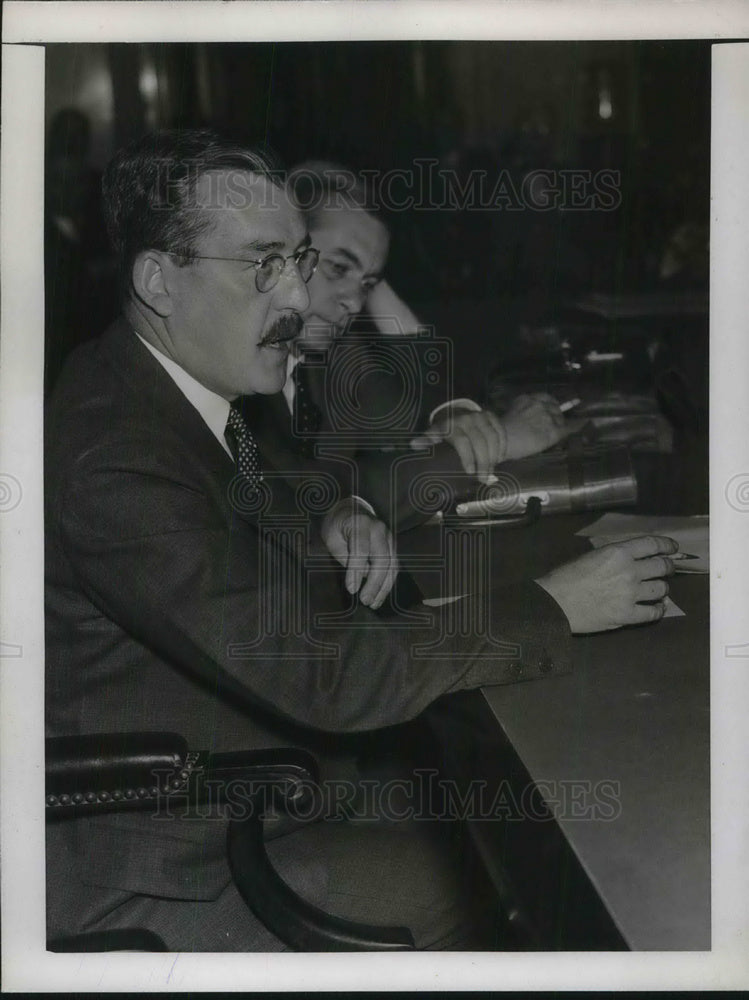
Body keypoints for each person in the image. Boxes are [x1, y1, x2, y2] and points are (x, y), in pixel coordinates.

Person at [45, 129, 677, 952]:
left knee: (541, 799)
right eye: (262, 265)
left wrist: (330, 513)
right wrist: (551, 604)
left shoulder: (172, 390)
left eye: (300, 263)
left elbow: (270, 517)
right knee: (527, 878)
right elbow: (324, 674)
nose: (300, 303)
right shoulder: (115, 460)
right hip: (179, 857)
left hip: (260, 781)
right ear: (159, 280)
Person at [245, 160, 580, 531]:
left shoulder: (333, 355)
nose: (355, 305)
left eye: (368, 286)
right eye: (338, 268)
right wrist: (501, 441)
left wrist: (454, 417)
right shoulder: (238, 365)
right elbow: (317, 503)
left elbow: (407, 416)